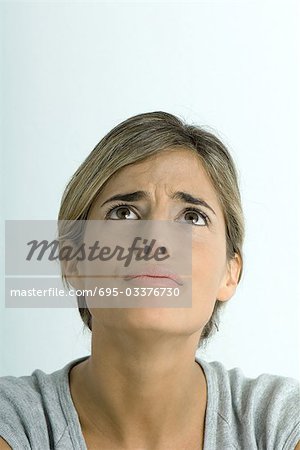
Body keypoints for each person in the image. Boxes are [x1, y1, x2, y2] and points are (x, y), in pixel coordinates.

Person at [0, 111, 299, 449]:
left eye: (192, 217)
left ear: (230, 272)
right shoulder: (13, 421)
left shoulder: (281, 423)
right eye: (124, 213)